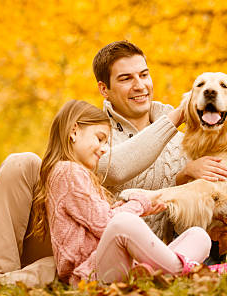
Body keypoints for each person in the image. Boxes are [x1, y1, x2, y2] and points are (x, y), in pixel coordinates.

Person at [0, 41, 227, 286]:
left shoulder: (184, 142)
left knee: (195, 236)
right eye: (125, 78)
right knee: (23, 162)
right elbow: (118, 168)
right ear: (104, 89)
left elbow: (182, 219)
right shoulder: (96, 137)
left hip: (136, 257)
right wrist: (179, 114)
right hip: (86, 243)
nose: (139, 85)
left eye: (144, 75)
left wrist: (183, 181)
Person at [31, 99, 211, 284]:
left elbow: (98, 219)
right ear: (74, 131)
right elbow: (106, 224)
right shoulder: (67, 171)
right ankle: (176, 271)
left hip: (115, 267)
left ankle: (158, 276)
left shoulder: (76, 173)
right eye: (99, 139)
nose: (103, 149)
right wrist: (140, 202)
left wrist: (130, 207)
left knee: (198, 235)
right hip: (87, 274)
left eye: (106, 142)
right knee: (124, 222)